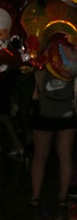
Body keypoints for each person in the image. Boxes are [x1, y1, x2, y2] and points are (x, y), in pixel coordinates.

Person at [29, 70, 77, 207]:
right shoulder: (71, 51)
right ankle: (62, 197)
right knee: (65, 154)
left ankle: (35, 196)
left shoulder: (41, 52)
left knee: (40, 154)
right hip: (67, 104)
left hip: (44, 104)